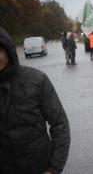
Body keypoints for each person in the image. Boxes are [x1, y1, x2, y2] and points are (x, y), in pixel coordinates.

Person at [0, 26, 71, 173]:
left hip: (39, 166)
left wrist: (53, 168)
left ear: (7, 49)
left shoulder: (36, 80)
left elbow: (59, 123)